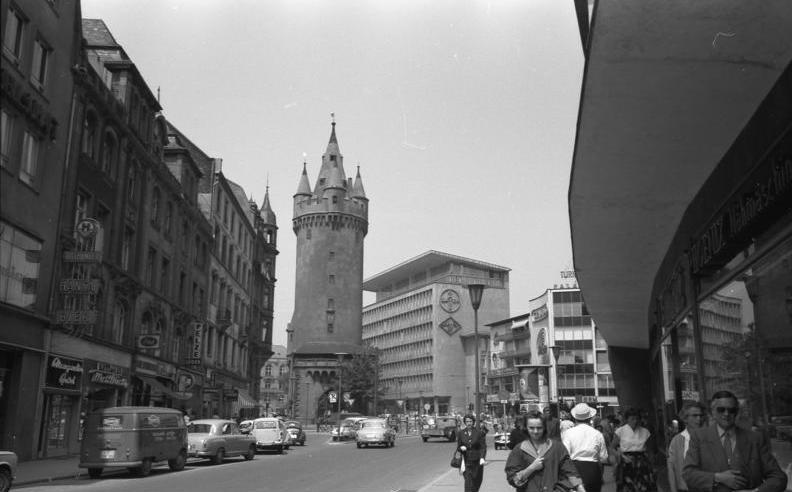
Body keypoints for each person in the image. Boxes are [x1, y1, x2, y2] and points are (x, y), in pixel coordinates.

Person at [682, 390, 787, 492]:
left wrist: (756, 491)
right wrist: (718, 477)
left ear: (737, 412)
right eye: (721, 409)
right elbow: (688, 474)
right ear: (713, 411)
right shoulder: (699, 437)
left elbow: (779, 478)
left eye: (731, 410)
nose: (726, 414)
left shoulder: (755, 438)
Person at [505, 409, 585, 492]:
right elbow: (513, 479)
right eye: (531, 428)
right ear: (526, 428)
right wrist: (531, 468)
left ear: (545, 428)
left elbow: (570, 471)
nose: (535, 431)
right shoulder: (519, 449)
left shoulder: (557, 447)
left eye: (539, 428)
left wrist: (580, 487)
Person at [562, 403, 609, 492]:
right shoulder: (597, 434)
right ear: (590, 418)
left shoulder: (568, 433)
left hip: (574, 470)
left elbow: (565, 455)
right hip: (593, 471)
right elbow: (604, 458)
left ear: (575, 418)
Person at [611, 408, 655, 492]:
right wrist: (619, 455)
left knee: (644, 486)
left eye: (636, 419)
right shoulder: (620, 431)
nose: (635, 421)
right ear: (627, 419)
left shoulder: (645, 432)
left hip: (642, 462)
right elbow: (612, 447)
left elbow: (650, 450)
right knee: (628, 487)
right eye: (632, 419)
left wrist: (652, 465)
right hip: (626, 462)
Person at [667, 402, 706, 492]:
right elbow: (671, 469)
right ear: (685, 419)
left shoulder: (709, 437)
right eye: (695, 416)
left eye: (701, 415)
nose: (699, 419)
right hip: (685, 488)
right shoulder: (677, 441)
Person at [457, 414, 488, 492]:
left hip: (477, 462)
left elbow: (483, 447)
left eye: (470, 421)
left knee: (476, 482)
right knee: (468, 483)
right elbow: (458, 447)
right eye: (467, 421)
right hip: (466, 461)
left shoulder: (479, 433)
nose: (469, 423)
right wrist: (461, 448)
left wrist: (482, 458)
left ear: (473, 422)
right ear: (464, 422)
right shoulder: (461, 433)